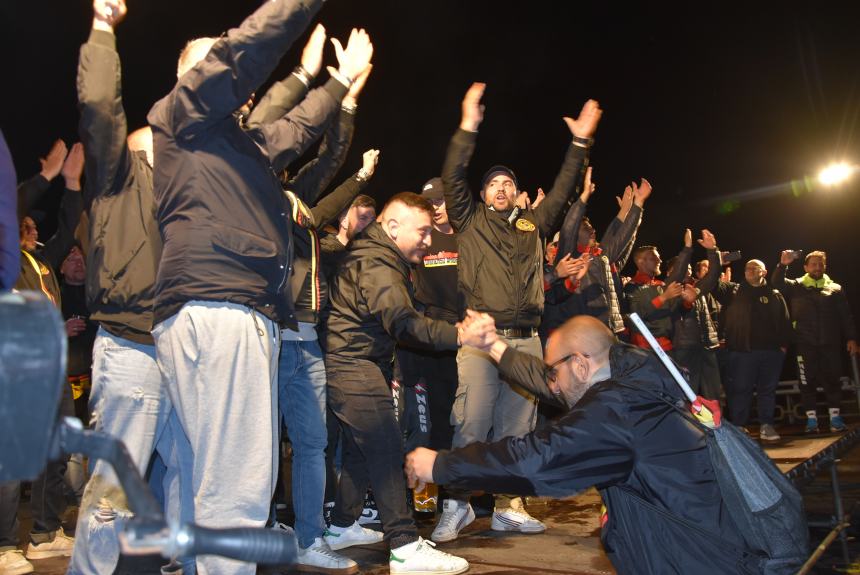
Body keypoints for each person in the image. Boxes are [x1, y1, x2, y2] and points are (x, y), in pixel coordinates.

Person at [146, 1, 372, 572]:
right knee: (238, 483)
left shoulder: (231, 143)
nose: (237, 84)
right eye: (213, 66)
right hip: (222, 309)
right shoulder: (183, 114)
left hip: (211, 311)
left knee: (201, 473)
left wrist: (336, 81)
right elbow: (241, 54)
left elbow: (293, 131)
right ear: (190, 78)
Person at [405, 315, 762, 575]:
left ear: (578, 363)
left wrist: (441, 465)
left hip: (699, 561)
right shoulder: (641, 379)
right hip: (721, 548)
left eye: (555, 374)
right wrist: (493, 346)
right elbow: (551, 381)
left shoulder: (615, 412)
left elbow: (535, 461)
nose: (553, 389)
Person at [434, 82, 601, 543]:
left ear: (518, 192)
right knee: (471, 423)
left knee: (517, 430)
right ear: (484, 195)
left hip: (525, 340)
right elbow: (453, 177)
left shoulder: (532, 226)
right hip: (482, 339)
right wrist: (468, 125)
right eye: (493, 184)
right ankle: (457, 505)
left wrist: (580, 143)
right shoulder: (469, 221)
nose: (501, 188)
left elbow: (564, 190)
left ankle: (509, 505)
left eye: (508, 183)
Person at [321, 192, 493, 575]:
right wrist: (460, 335)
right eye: (423, 231)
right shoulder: (379, 263)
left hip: (360, 358)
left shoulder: (379, 255)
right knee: (384, 449)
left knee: (357, 451)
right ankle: (403, 545)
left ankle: (341, 526)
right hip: (353, 362)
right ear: (393, 226)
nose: (428, 241)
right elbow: (403, 322)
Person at [0, 141, 83, 575]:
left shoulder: (41, 263)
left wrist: (71, 184)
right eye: (21, 225)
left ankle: (45, 534)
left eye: (30, 227)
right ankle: (3, 545)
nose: (28, 229)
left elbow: (69, 230)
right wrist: (47, 177)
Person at [772, 250, 858, 432]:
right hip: (804, 344)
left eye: (820, 264)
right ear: (805, 267)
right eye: (813, 264)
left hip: (830, 343)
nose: (817, 267)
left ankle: (835, 418)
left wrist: (852, 338)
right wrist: (783, 265)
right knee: (806, 382)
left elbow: (846, 316)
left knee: (833, 380)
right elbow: (777, 283)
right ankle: (812, 421)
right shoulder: (796, 285)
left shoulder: (835, 288)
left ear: (825, 266)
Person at [715, 259, 792, 441]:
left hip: (771, 352)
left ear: (763, 272)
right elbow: (713, 284)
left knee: (767, 389)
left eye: (754, 267)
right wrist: (716, 261)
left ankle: (767, 425)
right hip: (742, 351)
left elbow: (785, 322)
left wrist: (783, 346)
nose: (749, 270)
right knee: (740, 389)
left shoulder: (774, 293)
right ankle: (740, 427)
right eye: (747, 267)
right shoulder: (733, 291)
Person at [667, 231, 722, 400]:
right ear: (670, 272)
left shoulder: (696, 288)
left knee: (713, 394)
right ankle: (688, 426)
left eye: (690, 269)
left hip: (707, 345)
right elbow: (678, 275)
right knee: (687, 394)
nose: (688, 272)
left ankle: (717, 426)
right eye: (684, 268)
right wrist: (687, 249)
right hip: (684, 347)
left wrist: (713, 250)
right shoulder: (669, 288)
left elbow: (712, 277)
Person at [622, 230, 692, 351]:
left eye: (659, 258)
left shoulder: (660, 285)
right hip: (645, 349)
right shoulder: (631, 286)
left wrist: (687, 302)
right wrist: (663, 297)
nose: (659, 261)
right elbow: (637, 315)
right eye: (654, 258)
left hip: (668, 346)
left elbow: (675, 309)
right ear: (641, 261)